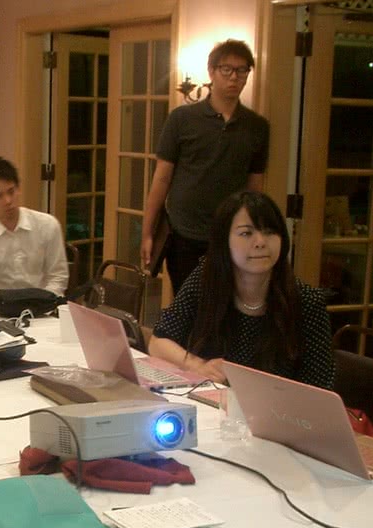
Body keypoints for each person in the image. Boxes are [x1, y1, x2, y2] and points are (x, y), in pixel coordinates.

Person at [149, 191, 334, 389]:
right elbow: (158, 342)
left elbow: (320, 388)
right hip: (214, 402)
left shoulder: (307, 302)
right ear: (224, 241)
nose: (260, 242)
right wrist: (198, 366)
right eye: (246, 233)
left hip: (279, 406)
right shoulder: (206, 281)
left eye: (270, 232)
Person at [141, 39, 270, 294]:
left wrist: (255, 233)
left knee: (227, 305)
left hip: (231, 235)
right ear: (211, 72)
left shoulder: (257, 126)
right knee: (187, 305)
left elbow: (255, 187)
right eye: (226, 69)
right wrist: (147, 233)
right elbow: (162, 179)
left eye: (242, 70)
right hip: (183, 233)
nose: (234, 77)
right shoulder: (182, 119)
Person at [0, 157, 69, 296]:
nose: (8, 201)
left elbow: (58, 277)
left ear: (18, 188)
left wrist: (43, 301)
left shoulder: (47, 225)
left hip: (42, 301)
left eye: (11, 191)